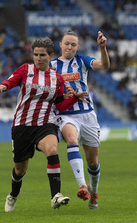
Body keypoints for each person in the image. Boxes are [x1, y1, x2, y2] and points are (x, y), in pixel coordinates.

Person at [0, 37, 89, 212]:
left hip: (46, 123)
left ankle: (56, 196)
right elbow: (12, 80)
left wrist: (74, 99)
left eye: (42, 55)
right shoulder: (26, 70)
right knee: (20, 170)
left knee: (53, 150)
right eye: (35, 54)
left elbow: (60, 104)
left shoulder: (57, 78)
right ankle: (13, 195)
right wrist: (3, 86)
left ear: (51, 55)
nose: (38, 58)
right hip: (22, 125)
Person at [49, 30, 110, 209]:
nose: (69, 47)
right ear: (60, 45)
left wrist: (103, 48)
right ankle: (82, 186)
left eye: (73, 44)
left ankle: (94, 191)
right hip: (66, 113)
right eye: (66, 43)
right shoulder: (51, 66)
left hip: (87, 114)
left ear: (77, 47)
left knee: (93, 161)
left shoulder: (82, 61)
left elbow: (104, 65)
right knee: (71, 139)